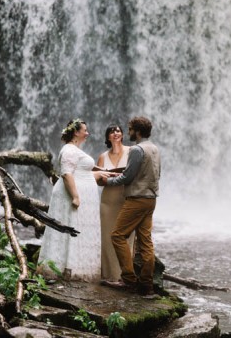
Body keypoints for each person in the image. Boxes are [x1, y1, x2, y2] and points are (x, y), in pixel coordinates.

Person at [37, 119, 109, 282]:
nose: (87, 133)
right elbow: (67, 174)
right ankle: (62, 269)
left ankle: (72, 267)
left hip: (78, 194)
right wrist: (76, 196)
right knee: (68, 229)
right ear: (76, 132)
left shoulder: (75, 150)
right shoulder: (69, 149)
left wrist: (100, 173)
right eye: (85, 130)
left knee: (75, 230)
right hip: (70, 196)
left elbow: (79, 172)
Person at [98, 116, 161, 296]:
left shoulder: (136, 150)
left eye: (130, 129)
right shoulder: (155, 149)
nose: (129, 132)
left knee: (117, 235)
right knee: (146, 242)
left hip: (136, 199)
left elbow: (127, 176)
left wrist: (107, 182)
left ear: (137, 131)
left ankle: (129, 280)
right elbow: (158, 174)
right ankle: (147, 286)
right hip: (151, 199)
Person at [96, 123, 134, 283]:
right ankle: (109, 275)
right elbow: (98, 180)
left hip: (126, 198)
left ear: (123, 135)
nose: (115, 133)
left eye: (118, 131)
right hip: (108, 200)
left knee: (126, 236)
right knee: (107, 236)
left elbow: (136, 174)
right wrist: (105, 178)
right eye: (111, 131)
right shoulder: (102, 157)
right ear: (107, 137)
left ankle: (125, 275)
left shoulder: (132, 152)